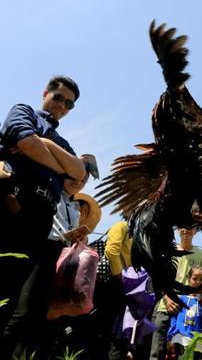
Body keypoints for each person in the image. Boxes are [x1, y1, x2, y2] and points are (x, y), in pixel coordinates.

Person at [0, 76, 87, 357]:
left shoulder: (61, 139)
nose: (62, 105)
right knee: (4, 289)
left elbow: (79, 177)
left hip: (42, 219)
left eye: (69, 103)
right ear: (46, 93)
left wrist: (43, 147)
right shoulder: (23, 111)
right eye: (58, 97)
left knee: (26, 307)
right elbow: (25, 142)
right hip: (13, 205)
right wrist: (60, 167)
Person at [149, 226, 202, 360]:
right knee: (157, 351)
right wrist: (167, 298)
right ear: (178, 229)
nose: (187, 230)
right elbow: (160, 280)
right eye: (183, 226)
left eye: (191, 227)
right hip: (167, 307)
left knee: (186, 354)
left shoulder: (201, 254)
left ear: (196, 231)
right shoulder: (168, 252)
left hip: (189, 311)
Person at [166, 265, 202, 358]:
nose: (198, 282)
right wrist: (170, 337)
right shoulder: (180, 299)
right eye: (195, 279)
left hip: (199, 344)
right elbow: (174, 319)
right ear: (188, 278)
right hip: (180, 340)